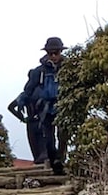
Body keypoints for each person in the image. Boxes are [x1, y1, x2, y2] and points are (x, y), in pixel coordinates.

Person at [7, 37, 65, 174]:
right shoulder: (39, 72)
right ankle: (55, 164)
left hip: (63, 108)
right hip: (46, 110)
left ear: (61, 52)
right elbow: (28, 89)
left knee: (63, 137)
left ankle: (60, 163)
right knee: (49, 141)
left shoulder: (68, 69)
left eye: (56, 53)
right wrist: (21, 102)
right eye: (51, 53)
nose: (53, 56)